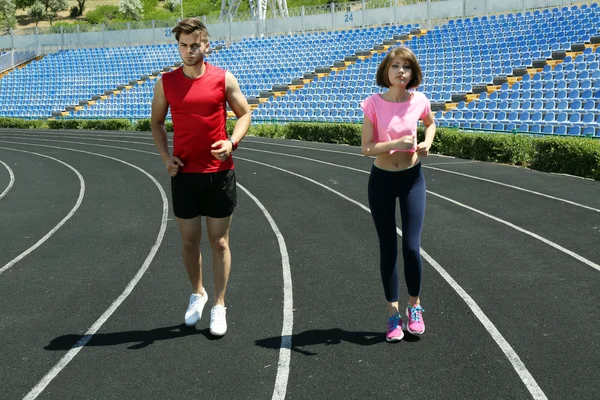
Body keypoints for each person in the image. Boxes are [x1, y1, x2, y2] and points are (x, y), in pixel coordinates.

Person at [151, 17, 251, 336]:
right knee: (189, 240)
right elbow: (156, 123)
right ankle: (199, 293)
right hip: (184, 175)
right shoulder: (166, 82)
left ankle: (219, 305)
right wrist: (166, 158)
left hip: (219, 174)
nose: (189, 50)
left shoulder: (223, 79)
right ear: (177, 46)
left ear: (206, 45)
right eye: (183, 45)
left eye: (195, 44)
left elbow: (245, 113)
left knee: (219, 242)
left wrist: (232, 141)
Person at [359, 46, 436, 342]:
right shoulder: (373, 104)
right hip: (381, 181)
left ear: (412, 73)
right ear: (386, 72)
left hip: (412, 180)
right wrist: (394, 143)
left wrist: (426, 143)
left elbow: (430, 125)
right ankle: (393, 314)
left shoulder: (420, 101)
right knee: (388, 248)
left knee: (412, 248)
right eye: (395, 66)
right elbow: (366, 148)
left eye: (406, 67)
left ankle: (414, 307)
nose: (400, 71)